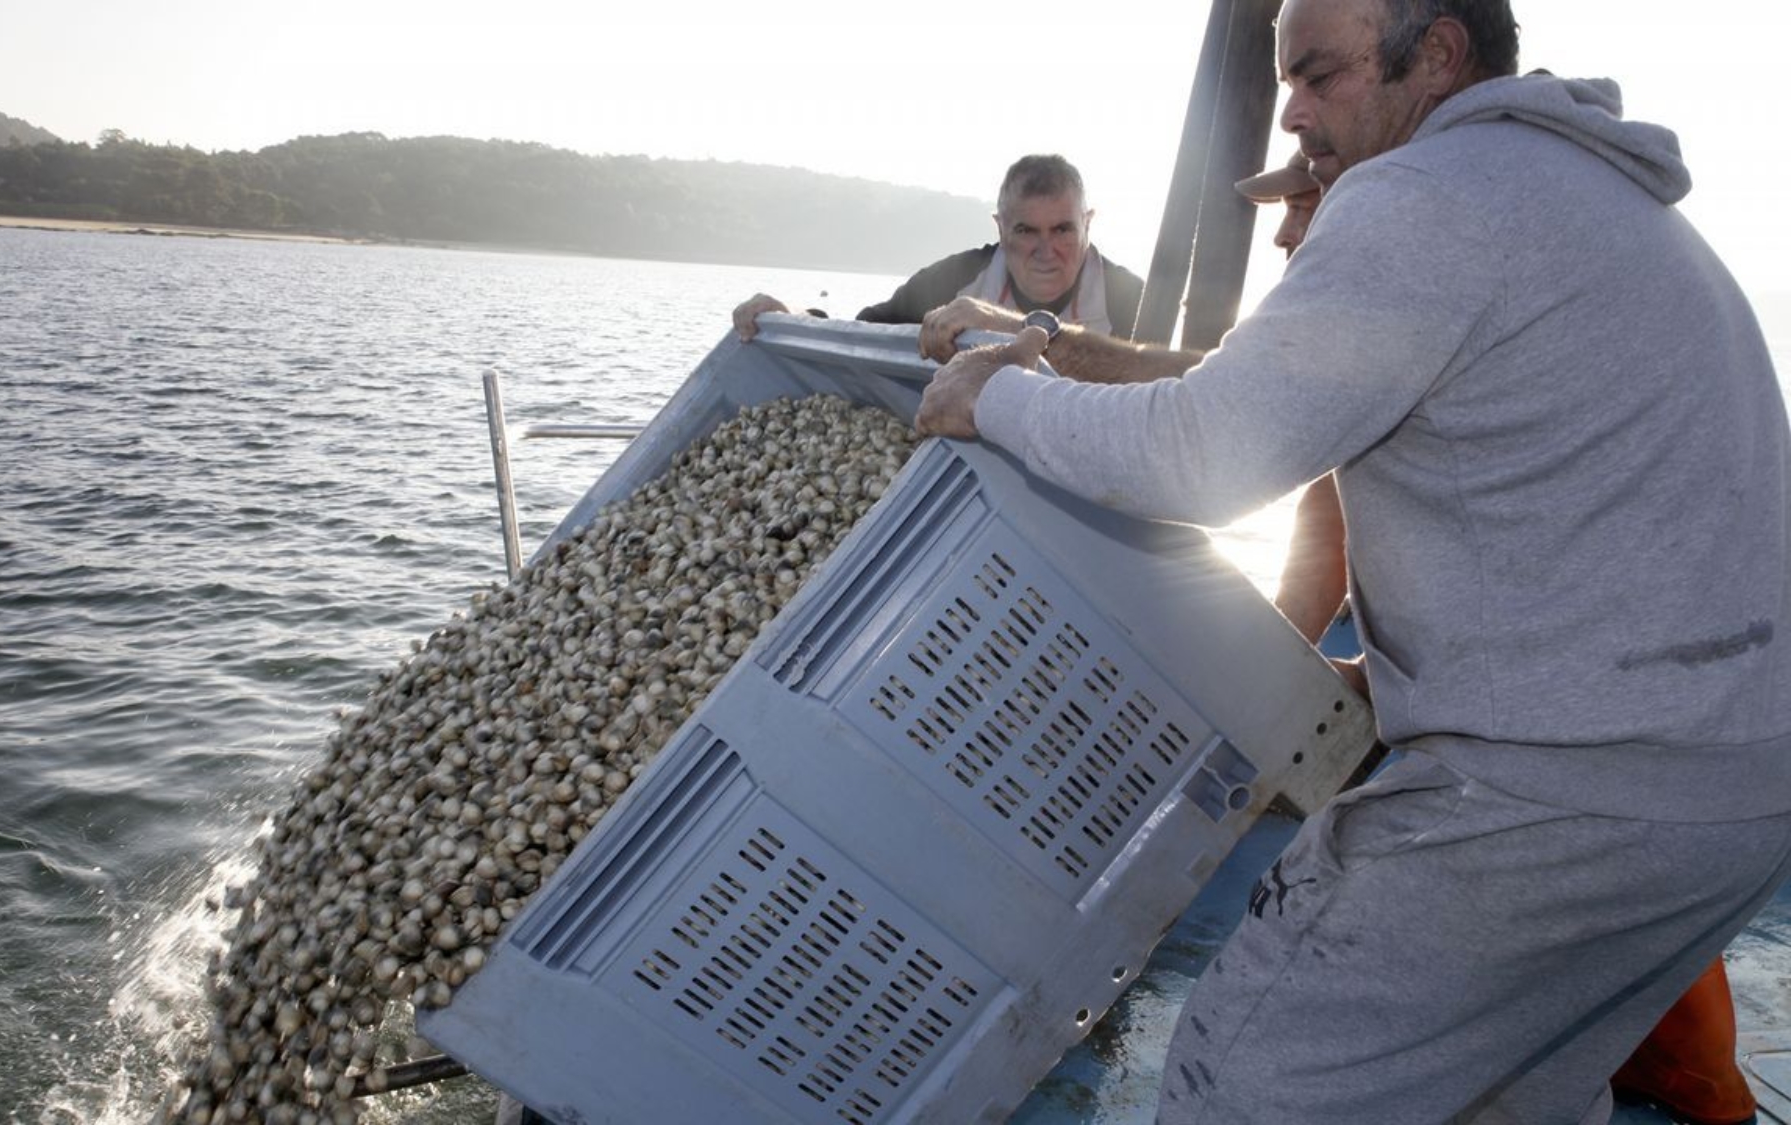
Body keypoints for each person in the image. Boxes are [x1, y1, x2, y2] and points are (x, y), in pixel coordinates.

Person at [916, 1, 1791, 1121]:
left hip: (1558, 801)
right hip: (1725, 797)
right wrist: (1377, 682)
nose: (1289, 111)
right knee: (1497, 1101)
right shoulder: (1583, 196)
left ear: (1432, 56)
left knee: (1241, 1081)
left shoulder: (1425, 195)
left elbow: (1206, 450)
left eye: (1317, 75)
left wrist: (996, 399)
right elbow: (1602, 544)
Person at [1245, 145, 1762, 1125]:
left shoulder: (1435, 350)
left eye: (1300, 204)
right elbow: (1318, 605)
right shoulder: (1398, 363)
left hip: (1605, 777)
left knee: (1675, 1065)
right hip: (1594, 768)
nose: (1278, 233)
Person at [732, 154, 1145, 343]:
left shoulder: (1132, 300)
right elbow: (860, 334)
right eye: (1026, 231)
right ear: (1000, 229)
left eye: (1062, 230)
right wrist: (794, 317)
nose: (1045, 249)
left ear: (1088, 224)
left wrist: (999, 325)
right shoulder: (953, 280)